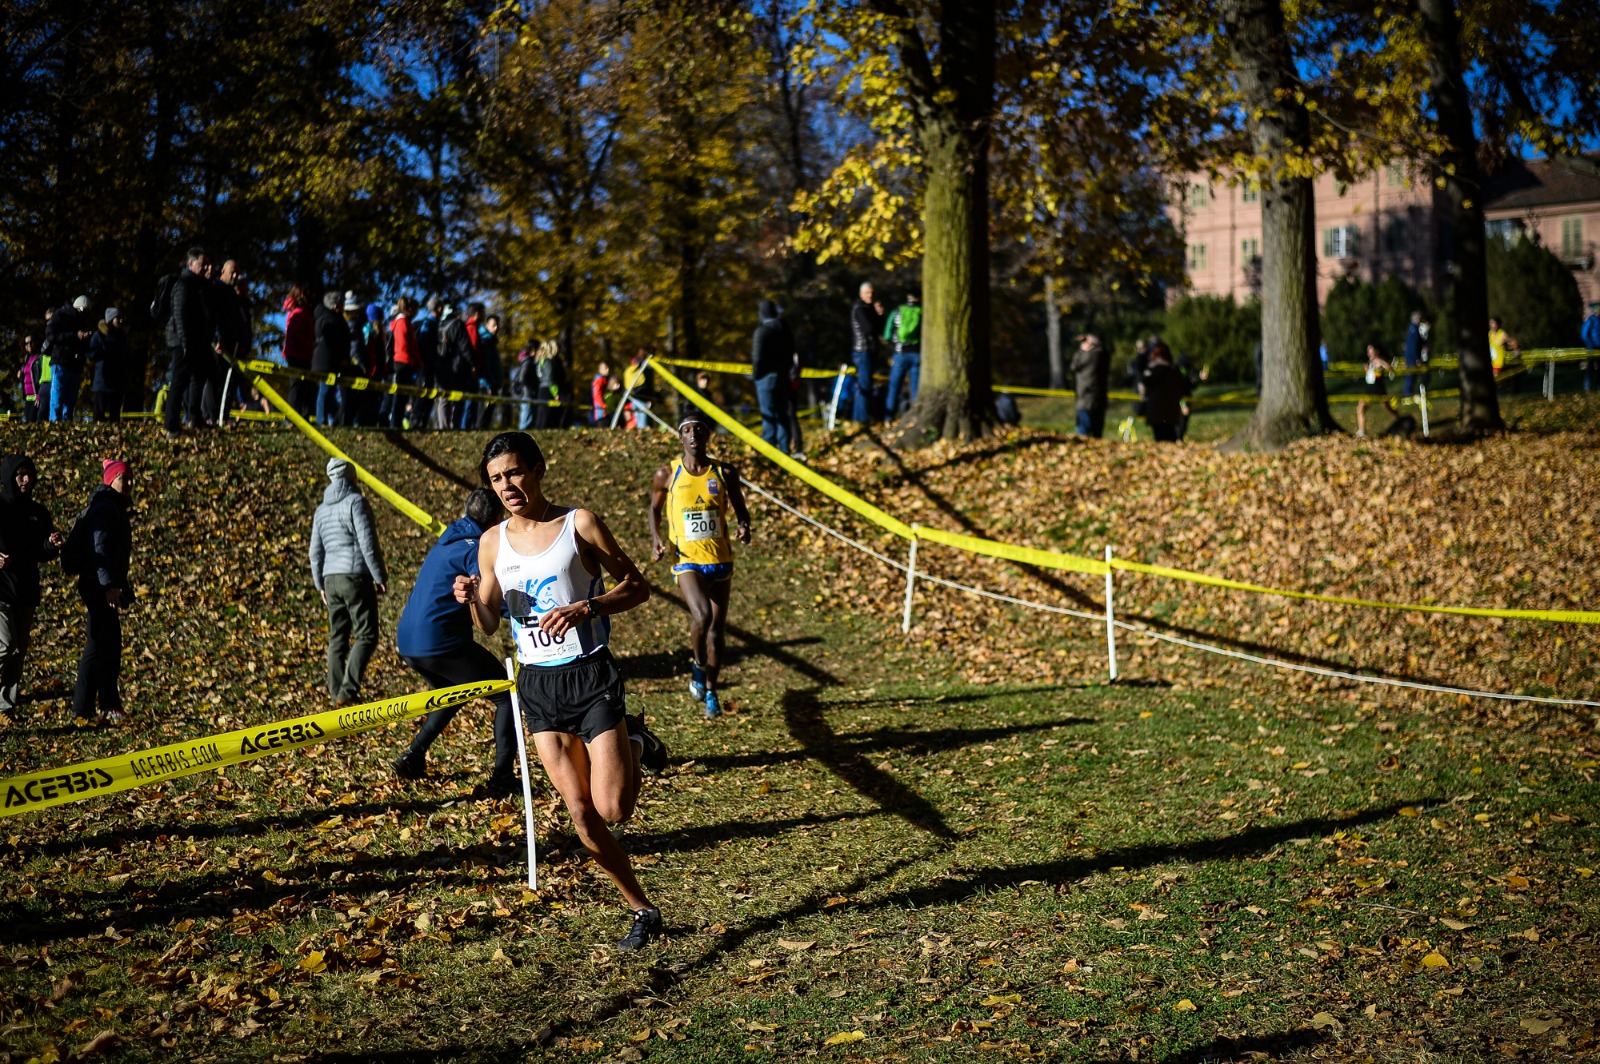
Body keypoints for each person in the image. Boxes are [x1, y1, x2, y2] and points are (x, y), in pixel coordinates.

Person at [454, 431, 667, 950]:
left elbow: (636, 586)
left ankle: (635, 740)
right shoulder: (490, 543)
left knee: (614, 809)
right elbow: (487, 621)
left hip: (590, 673)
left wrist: (585, 608)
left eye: (515, 472)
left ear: (539, 469)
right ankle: (642, 908)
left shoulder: (579, 524)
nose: (507, 486)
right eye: (497, 479)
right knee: (582, 816)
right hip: (539, 684)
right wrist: (468, 598)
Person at [391, 489, 520, 797]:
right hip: (439, 643)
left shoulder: (446, 540)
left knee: (453, 693)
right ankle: (502, 776)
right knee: (505, 693)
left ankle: (413, 757)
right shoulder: (475, 549)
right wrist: (527, 610)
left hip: (408, 641)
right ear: (496, 520)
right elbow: (488, 594)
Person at [648, 414, 752, 720]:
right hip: (686, 560)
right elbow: (653, 509)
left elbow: (741, 509)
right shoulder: (667, 473)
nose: (693, 435)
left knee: (717, 632)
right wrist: (655, 539)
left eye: (699, 430)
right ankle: (697, 665)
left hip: (720, 559)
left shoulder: (724, 472)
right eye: (687, 430)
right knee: (702, 616)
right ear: (680, 438)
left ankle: (710, 690)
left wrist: (745, 527)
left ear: (707, 437)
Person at [309, 458, 388, 706]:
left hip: (330, 579)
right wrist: (380, 576)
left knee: (338, 637)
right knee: (367, 635)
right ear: (352, 478)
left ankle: (336, 694)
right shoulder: (356, 502)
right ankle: (347, 691)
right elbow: (368, 544)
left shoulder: (321, 510)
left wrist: (319, 584)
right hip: (354, 576)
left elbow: (315, 552)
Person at [71, 459, 134, 724]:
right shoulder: (105, 508)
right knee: (99, 646)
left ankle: (97, 706)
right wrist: (108, 587)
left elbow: (114, 555)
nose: (129, 483)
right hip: (96, 585)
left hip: (100, 584)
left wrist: (121, 587)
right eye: (122, 478)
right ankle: (88, 709)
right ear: (110, 480)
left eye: (130, 478)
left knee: (105, 644)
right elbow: (100, 549)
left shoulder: (111, 506)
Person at [0, 455, 65, 713]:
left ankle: (5, 706)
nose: (26, 480)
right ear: (9, 477)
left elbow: (41, 551)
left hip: (26, 590)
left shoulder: (38, 512)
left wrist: (52, 545)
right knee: (5, 646)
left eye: (30, 474)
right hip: (1, 589)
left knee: (18, 652)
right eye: (20, 475)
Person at [165, 248, 215, 438]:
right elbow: (180, 315)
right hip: (182, 342)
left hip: (196, 342)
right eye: (202, 264)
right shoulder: (184, 284)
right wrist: (185, 343)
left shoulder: (199, 285)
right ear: (190, 264)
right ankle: (171, 426)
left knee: (197, 379)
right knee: (179, 382)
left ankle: (195, 419)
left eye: (208, 264)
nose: (206, 268)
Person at [752, 300, 793, 454]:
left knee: (768, 414)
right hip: (783, 376)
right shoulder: (785, 329)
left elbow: (757, 358)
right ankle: (784, 451)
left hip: (765, 378)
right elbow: (791, 352)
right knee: (782, 413)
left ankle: (769, 453)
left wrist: (755, 376)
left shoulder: (762, 332)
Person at [45, 296, 93, 423]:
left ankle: (66, 426)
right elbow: (51, 335)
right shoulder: (62, 315)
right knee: (57, 399)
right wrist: (75, 335)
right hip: (61, 361)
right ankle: (55, 424)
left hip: (75, 365)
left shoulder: (82, 320)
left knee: (70, 402)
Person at [312, 292, 351, 427]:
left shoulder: (334, 318)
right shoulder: (328, 319)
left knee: (331, 391)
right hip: (326, 361)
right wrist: (341, 356)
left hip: (332, 360)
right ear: (335, 305)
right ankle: (321, 420)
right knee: (325, 389)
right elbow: (334, 340)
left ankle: (331, 420)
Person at [882, 291, 922, 419]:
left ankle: (888, 418)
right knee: (915, 388)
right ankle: (916, 417)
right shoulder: (922, 311)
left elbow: (887, 334)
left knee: (894, 387)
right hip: (917, 353)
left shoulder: (898, 310)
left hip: (900, 353)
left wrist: (892, 345)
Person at [1141, 345, 1191, 442]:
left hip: (1156, 412)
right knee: (1170, 438)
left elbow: (1144, 389)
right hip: (1171, 412)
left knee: (1160, 439)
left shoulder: (1150, 372)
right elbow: (1184, 388)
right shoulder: (1174, 371)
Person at [848, 282, 882, 424]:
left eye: (872, 293)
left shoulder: (868, 308)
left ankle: (861, 417)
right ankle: (861, 419)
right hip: (863, 351)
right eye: (867, 293)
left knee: (866, 384)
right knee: (864, 385)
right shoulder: (860, 309)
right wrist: (877, 315)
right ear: (861, 294)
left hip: (868, 350)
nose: (870, 296)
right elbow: (869, 329)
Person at [87, 308, 129, 421]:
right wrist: (104, 353)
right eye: (117, 318)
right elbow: (90, 353)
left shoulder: (122, 337)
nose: (120, 320)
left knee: (115, 414)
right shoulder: (99, 335)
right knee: (99, 413)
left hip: (117, 381)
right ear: (111, 320)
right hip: (102, 381)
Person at [281, 285, 316, 417]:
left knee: (299, 386)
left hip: (295, 353)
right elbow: (295, 333)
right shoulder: (300, 313)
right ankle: (295, 416)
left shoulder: (294, 313)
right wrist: (308, 344)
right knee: (299, 386)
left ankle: (298, 415)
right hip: (300, 354)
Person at [385, 297, 418, 429]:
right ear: (410, 309)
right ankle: (394, 424)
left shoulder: (404, 322)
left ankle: (396, 423)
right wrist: (413, 360)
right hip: (402, 363)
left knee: (402, 398)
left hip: (405, 363)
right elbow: (404, 344)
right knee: (398, 397)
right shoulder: (403, 322)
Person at [1071, 332, 1109, 438]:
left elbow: (1074, 365)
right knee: (1096, 430)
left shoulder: (1094, 355)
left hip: (1086, 398)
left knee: (1083, 431)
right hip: (1093, 398)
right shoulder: (1100, 353)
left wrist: (1082, 350)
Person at [1356, 341, 1393, 437]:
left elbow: (1390, 369)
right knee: (1360, 408)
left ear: (1377, 351)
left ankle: (1400, 419)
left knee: (1388, 408)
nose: (1369, 353)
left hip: (1378, 390)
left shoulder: (1380, 362)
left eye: (1371, 351)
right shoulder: (1369, 363)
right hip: (1369, 390)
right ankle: (1361, 430)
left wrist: (1383, 367)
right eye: (1368, 351)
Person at [1401, 311, 1430, 398]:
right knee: (1411, 375)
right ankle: (1407, 394)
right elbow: (1413, 346)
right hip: (1412, 357)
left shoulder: (1411, 328)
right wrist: (1417, 358)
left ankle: (1409, 393)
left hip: (1410, 356)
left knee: (1412, 375)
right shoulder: (1414, 329)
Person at [19, 336, 42, 423]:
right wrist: (21, 372)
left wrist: (38, 396)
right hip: (27, 397)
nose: (29, 345)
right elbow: (27, 370)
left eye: (31, 342)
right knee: (27, 423)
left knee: (32, 422)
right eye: (26, 343)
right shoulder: (26, 358)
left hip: (35, 397)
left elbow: (40, 377)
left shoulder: (39, 357)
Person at [1579, 302, 1598, 394]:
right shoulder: (1591, 320)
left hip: (1598, 348)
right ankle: (1588, 388)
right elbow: (1584, 334)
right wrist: (1590, 345)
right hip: (1592, 349)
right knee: (1590, 368)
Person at [589, 359, 611, 427]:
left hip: (606, 411)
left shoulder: (606, 380)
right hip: (601, 413)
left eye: (608, 368)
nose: (607, 370)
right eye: (605, 368)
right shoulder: (599, 380)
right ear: (600, 370)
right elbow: (597, 395)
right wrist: (603, 405)